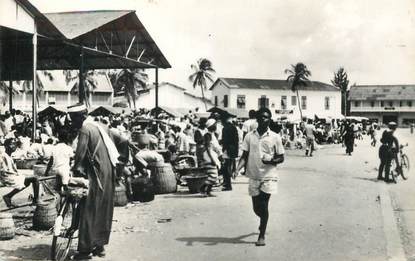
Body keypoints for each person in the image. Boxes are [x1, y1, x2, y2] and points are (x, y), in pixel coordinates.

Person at [69, 103, 120, 259]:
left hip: (96, 175)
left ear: (82, 116)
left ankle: (84, 251)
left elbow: (80, 154)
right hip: (108, 172)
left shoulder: (85, 129)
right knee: (103, 209)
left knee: (88, 209)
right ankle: (100, 246)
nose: (72, 122)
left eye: (73, 119)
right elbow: (122, 141)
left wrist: (75, 170)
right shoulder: (99, 126)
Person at [236, 107, 285, 246]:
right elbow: (244, 156)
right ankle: (263, 220)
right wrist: (237, 169)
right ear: (257, 119)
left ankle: (261, 235)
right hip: (253, 175)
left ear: (269, 120)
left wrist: (271, 161)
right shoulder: (249, 136)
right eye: (261, 117)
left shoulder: (275, 137)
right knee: (256, 208)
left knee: (263, 205)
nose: (264, 119)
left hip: (269, 176)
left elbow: (281, 157)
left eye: (266, 117)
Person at [220, 113, 239, 191]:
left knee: (226, 167)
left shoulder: (225, 128)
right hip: (233, 149)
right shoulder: (234, 127)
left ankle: (228, 185)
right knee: (229, 166)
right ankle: (227, 183)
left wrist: (223, 147)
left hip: (227, 149)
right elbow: (236, 140)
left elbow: (225, 141)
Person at [200, 133, 221, 197]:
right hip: (210, 162)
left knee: (212, 177)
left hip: (207, 162)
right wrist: (213, 160)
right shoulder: (208, 144)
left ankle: (208, 191)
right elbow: (209, 153)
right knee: (213, 177)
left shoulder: (205, 145)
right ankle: (203, 188)